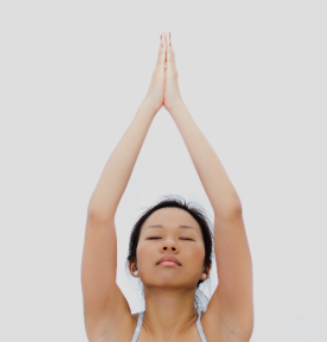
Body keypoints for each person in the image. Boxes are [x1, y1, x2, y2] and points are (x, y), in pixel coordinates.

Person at [81, 32, 254, 342]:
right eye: (154, 236)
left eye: (186, 237)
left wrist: (176, 106)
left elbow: (230, 211)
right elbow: (99, 214)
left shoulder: (225, 329)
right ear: (133, 265)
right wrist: (149, 106)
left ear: (207, 268)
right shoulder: (113, 330)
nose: (170, 244)